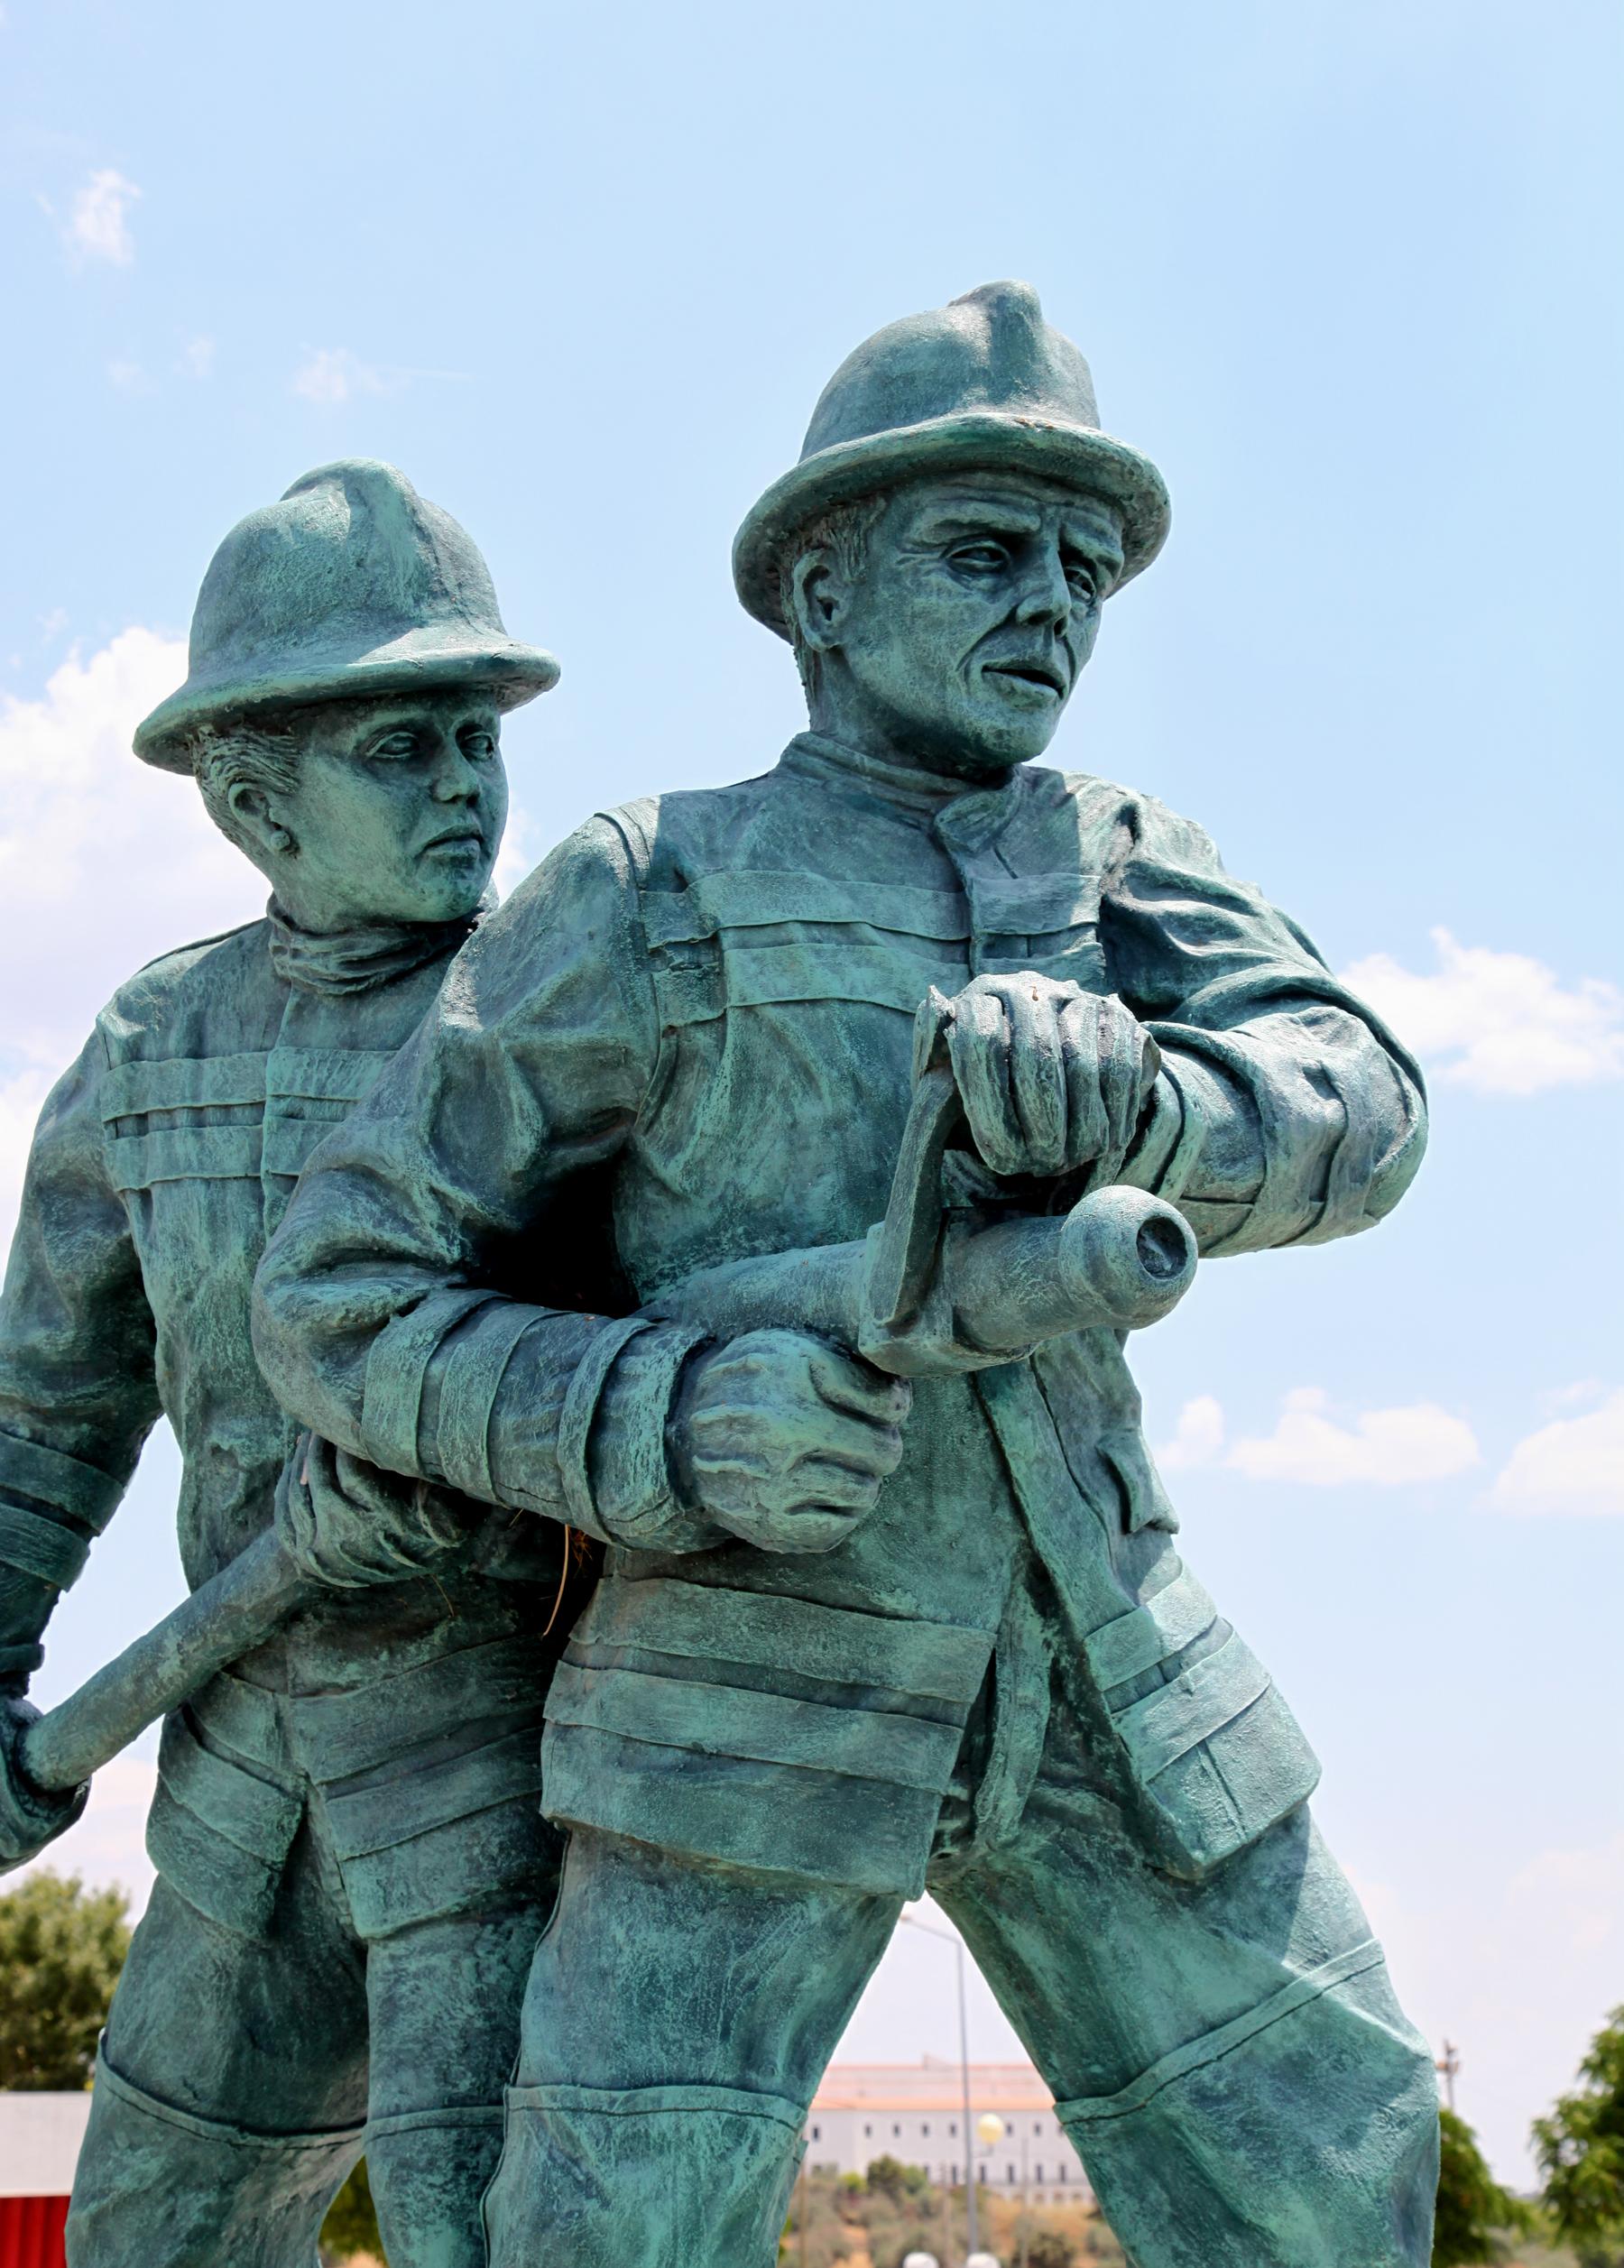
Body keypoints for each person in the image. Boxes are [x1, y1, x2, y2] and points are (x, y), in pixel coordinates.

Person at [255, 287, 1440, 2266]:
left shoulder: (1127, 853)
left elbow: (1367, 1108)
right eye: (986, 552)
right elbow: (343, 1294)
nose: (1051, 606)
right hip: (740, 1683)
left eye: (1084, 569)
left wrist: (1149, 1102)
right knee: (616, 2236)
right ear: (821, 586)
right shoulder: (656, 882)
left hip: (1110, 1677)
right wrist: (668, 1419)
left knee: (1338, 2138)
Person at [0, 459, 568, 2267]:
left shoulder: (576, 1007)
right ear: (253, 797)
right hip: (243, 1774)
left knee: (496, 2231)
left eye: (476, 738)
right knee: (146, 2238)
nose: (468, 785)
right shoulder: (152, 1048)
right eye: (405, 749)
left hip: (523, 1778)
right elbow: (41, 1428)